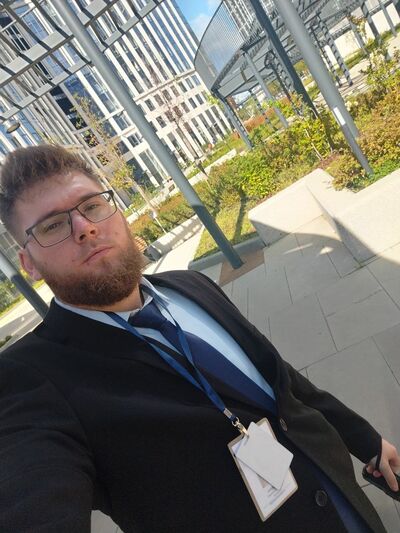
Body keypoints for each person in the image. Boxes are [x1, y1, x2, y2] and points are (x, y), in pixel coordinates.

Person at [0, 144, 398, 533]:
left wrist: (364, 438)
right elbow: (32, 490)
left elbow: (279, 378)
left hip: (342, 493)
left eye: (91, 205)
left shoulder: (190, 285)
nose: (84, 228)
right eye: (52, 226)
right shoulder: (30, 378)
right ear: (29, 264)